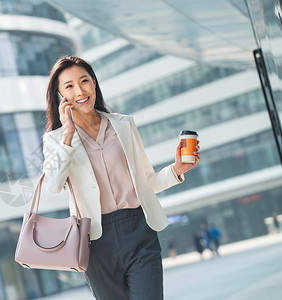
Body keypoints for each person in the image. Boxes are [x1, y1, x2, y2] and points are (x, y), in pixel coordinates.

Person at [42, 56, 200, 300]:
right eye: (69, 86)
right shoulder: (56, 140)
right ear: (60, 94)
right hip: (95, 242)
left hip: (138, 229)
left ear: (94, 83)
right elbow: (53, 185)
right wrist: (68, 136)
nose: (80, 91)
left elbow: (146, 182)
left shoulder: (124, 125)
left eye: (84, 81)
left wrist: (177, 169)